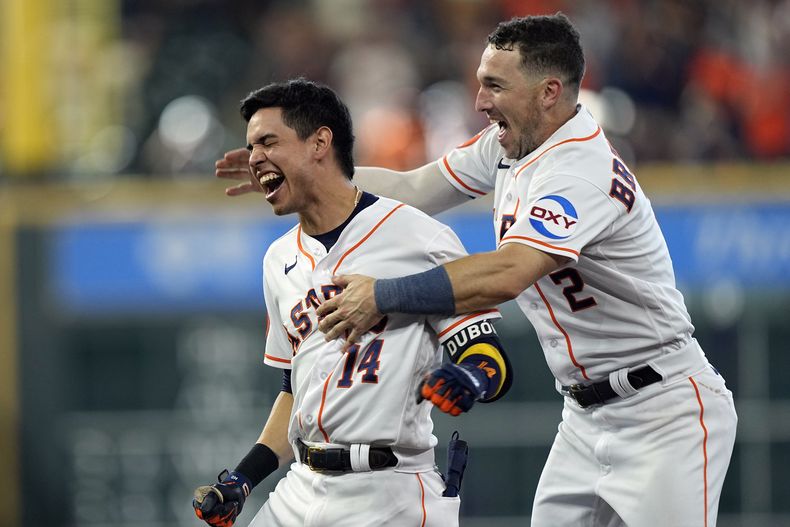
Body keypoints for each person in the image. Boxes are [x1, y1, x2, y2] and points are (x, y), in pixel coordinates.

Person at [215, 13, 737, 527]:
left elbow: (508, 273)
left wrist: (383, 295)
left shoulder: (582, 170)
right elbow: (418, 189)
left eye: (494, 86)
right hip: (584, 413)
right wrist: (307, 171)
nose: (480, 101)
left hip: (663, 407)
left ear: (548, 92)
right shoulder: (510, 145)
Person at [194, 79, 513, 527]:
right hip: (300, 487)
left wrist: (471, 377)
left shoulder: (416, 236)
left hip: (390, 489)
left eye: (268, 141)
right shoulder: (279, 258)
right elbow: (293, 392)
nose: (254, 158)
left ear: (320, 142)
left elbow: (487, 355)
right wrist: (243, 479)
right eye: (251, 147)